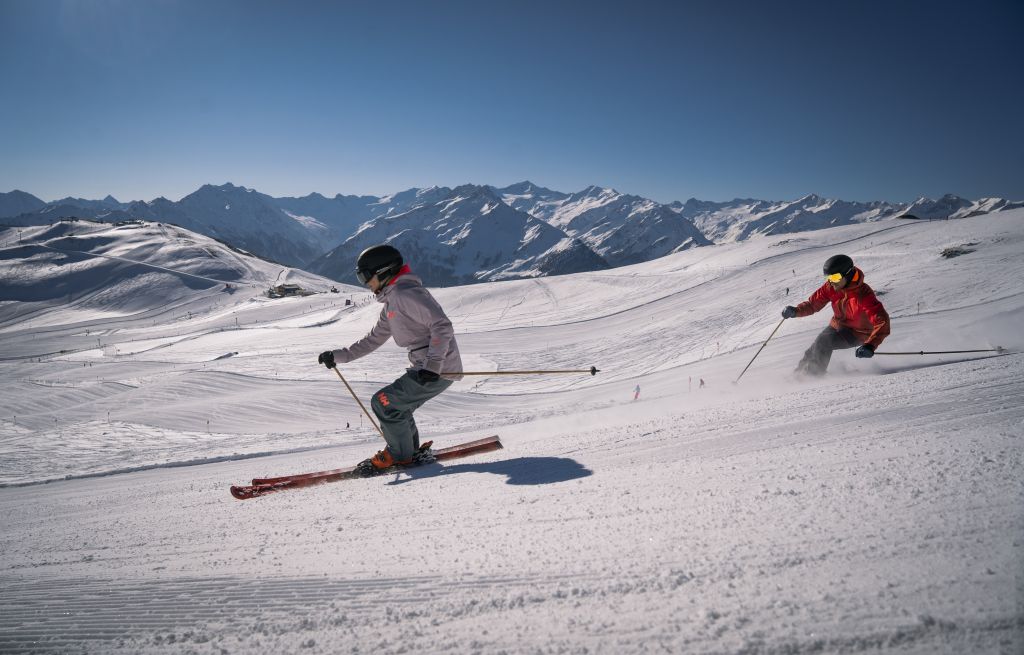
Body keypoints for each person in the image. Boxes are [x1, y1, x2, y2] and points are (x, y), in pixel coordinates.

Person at [318, 244, 462, 473]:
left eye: (366, 276)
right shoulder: (392, 303)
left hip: (437, 368)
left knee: (384, 402)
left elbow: (442, 326)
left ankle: (400, 455)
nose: (365, 283)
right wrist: (338, 356)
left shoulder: (406, 295)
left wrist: (434, 365)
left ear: (384, 271)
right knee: (396, 407)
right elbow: (372, 340)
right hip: (426, 367)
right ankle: (408, 451)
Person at [782, 254, 890, 377]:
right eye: (829, 277)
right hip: (838, 325)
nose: (832, 281)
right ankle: (797, 375)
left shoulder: (863, 295)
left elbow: (882, 321)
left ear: (848, 274)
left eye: (835, 277)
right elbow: (813, 304)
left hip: (858, 332)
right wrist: (796, 311)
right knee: (814, 348)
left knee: (824, 342)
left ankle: (812, 376)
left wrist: (870, 345)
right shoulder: (832, 286)